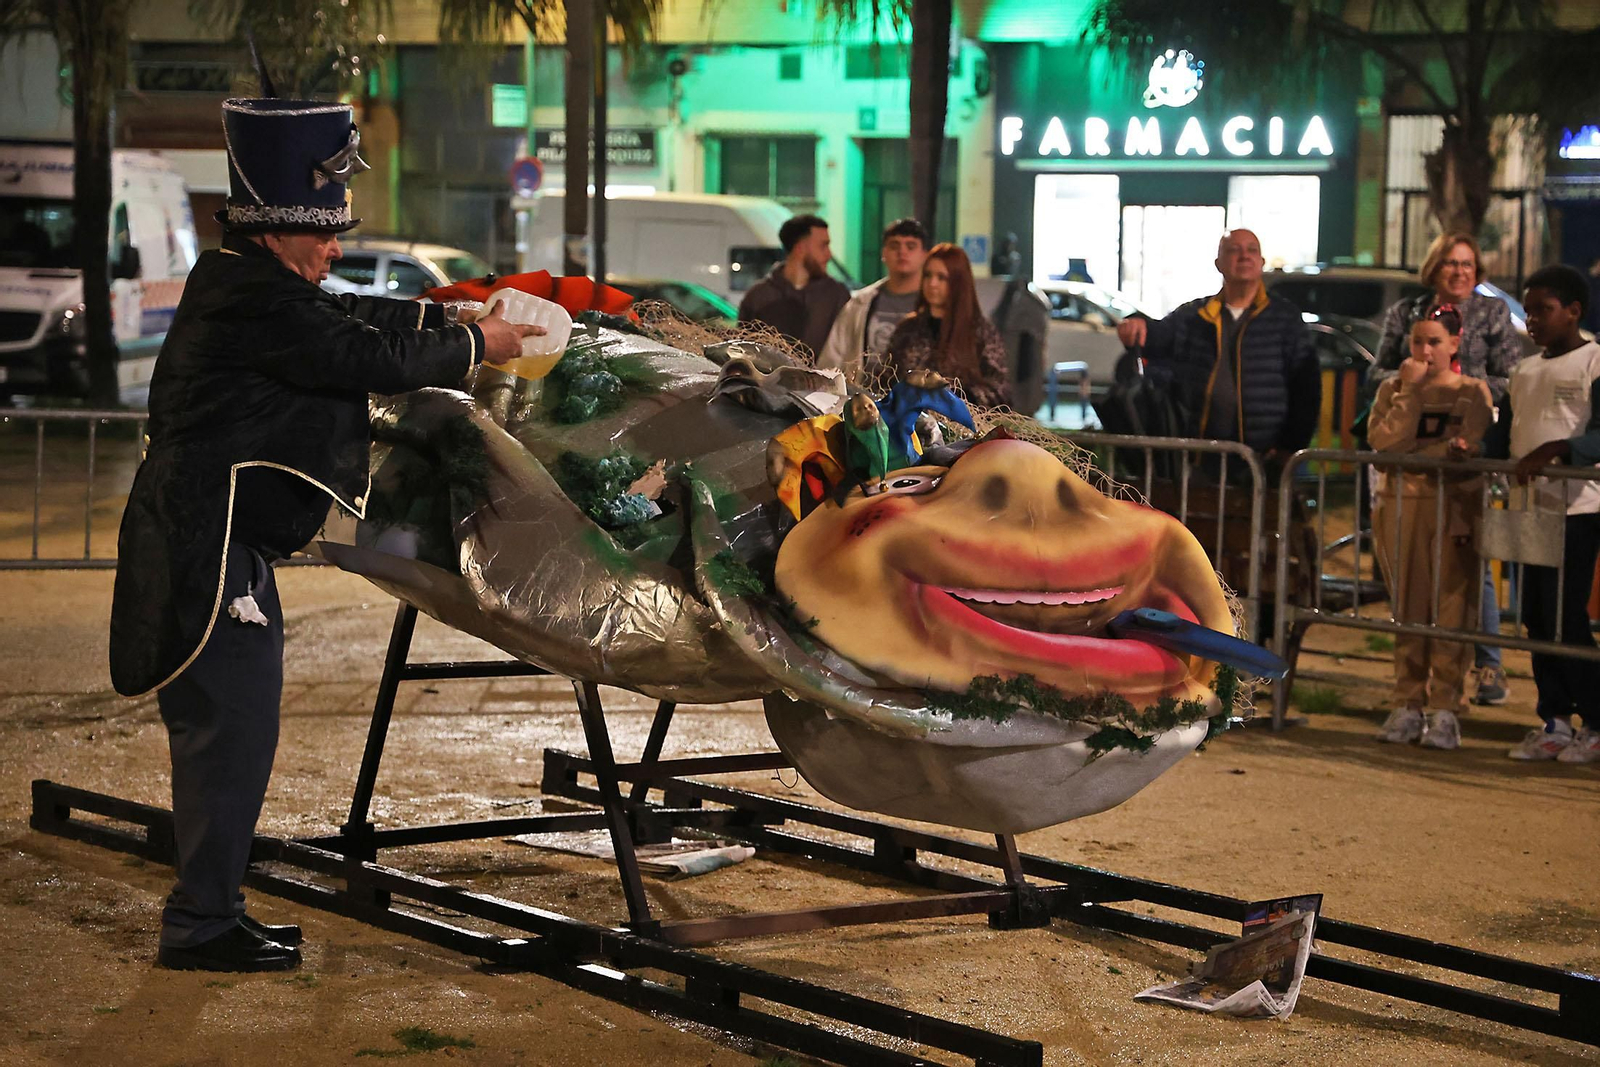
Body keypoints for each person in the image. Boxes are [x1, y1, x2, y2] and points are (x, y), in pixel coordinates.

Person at [108, 97, 541, 973]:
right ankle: (201, 922)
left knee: (238, 737)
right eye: (328, 231)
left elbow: (358, 322)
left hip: (228, 546)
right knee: (226, 739)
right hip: (206, 547)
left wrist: (450, 316)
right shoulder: (250, 297)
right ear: (277, 231)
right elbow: (361, 359)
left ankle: (212, 909)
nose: (338, 246)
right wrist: (478, 345)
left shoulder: (254, 284)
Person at [1370, 232, 1524, 707]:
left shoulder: (1493, 313)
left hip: (1465, 450)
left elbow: (1510, 376)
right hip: (1408, 464)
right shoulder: (1408, 313)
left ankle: (1486, 665)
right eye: (1450, 264)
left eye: (1468, 264)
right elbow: (1382, 373)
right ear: (1434, 268)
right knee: (1413, 587)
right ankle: (1411, 695)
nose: (1460, 272)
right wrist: (1416, 384)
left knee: (1466, 575)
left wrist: (1457, 388)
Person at [1366, 306, 1493, 750]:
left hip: (1454, 509)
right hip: (1401, 508)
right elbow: (1384, 444)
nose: (1424, 350)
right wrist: (1411, 394)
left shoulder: (1472, 391)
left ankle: (1445, 707)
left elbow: (1464, 446)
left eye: (1435, 341)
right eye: (1417, 341)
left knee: (1453, 608)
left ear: (1455, 344)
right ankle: (1407, 703)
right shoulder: (1393, 389)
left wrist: (1424, 451)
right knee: (1408, 607)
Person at [1491, 264, 1600, 763]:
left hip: (1577, 509)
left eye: (1543, 310)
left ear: (1574, 311)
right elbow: (1508, 430)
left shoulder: (1594, 360)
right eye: (1528, 310)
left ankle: (1595, 721)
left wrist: (1559, 450)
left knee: (1566, 616)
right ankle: (1553, 718)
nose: (1532, 319)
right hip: (1528, 509)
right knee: (1536, 616)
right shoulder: (1526, 369)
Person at [1115, 229, 1320, 461]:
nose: (1244, 256)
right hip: (1200, 456)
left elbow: (1307, 388)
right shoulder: (1195, 316)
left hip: (1264, 458)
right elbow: (1156, 337)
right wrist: (1136, 323)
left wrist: (1289, 446)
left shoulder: (1285, 319)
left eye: (1252, 250)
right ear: (1218, 263)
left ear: (1261, 262)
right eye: (1234, 250)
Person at [878, 242, 1011, 408]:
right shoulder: (907, 329)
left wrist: (961, 397)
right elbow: (885, 379)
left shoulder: (979, 331)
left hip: (963, 426)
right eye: (927, 275)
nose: (932, 283)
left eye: (942, 278)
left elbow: (1000, 390)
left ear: (958, 282)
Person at [817, 217, 928, 381]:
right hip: (865, 401)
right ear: (883, 253)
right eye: (894, 246)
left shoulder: (935, 305)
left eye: (911, 246)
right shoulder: (861, 303)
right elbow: (833, 357)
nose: (902, 252)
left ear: (925, 255)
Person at [737, 213, 851, 359]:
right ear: (800, 248)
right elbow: (744, 353)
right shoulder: (758, 297)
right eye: (823, 246)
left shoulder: (837, 296)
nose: (829, 254)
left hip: (822, 382)